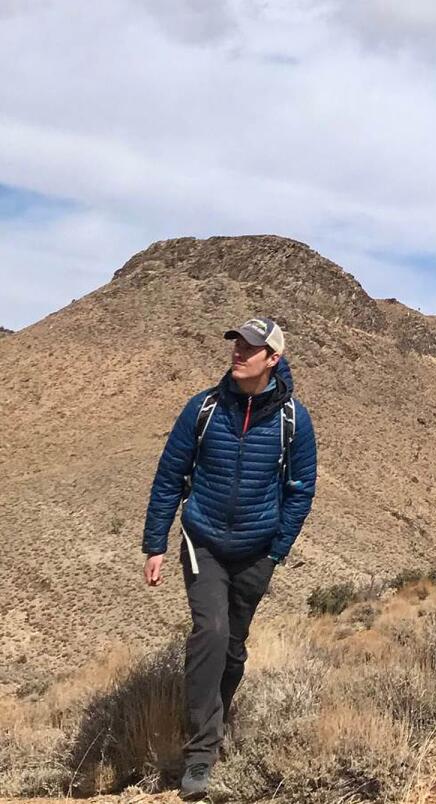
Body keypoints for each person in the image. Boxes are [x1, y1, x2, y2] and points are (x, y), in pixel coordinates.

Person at [141, 317, 317, 800]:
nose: (240, 352)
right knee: (211, 633)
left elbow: (301, 492)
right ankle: (201, 753)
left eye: (251, 347)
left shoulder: (293, 421)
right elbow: (169, 476)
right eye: (237, 343)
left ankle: (216, 711)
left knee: (234, 645)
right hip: (203, 543)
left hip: (258, 551)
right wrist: (155, 543)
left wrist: (277, 550)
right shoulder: (202, 409)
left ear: (273, 359)